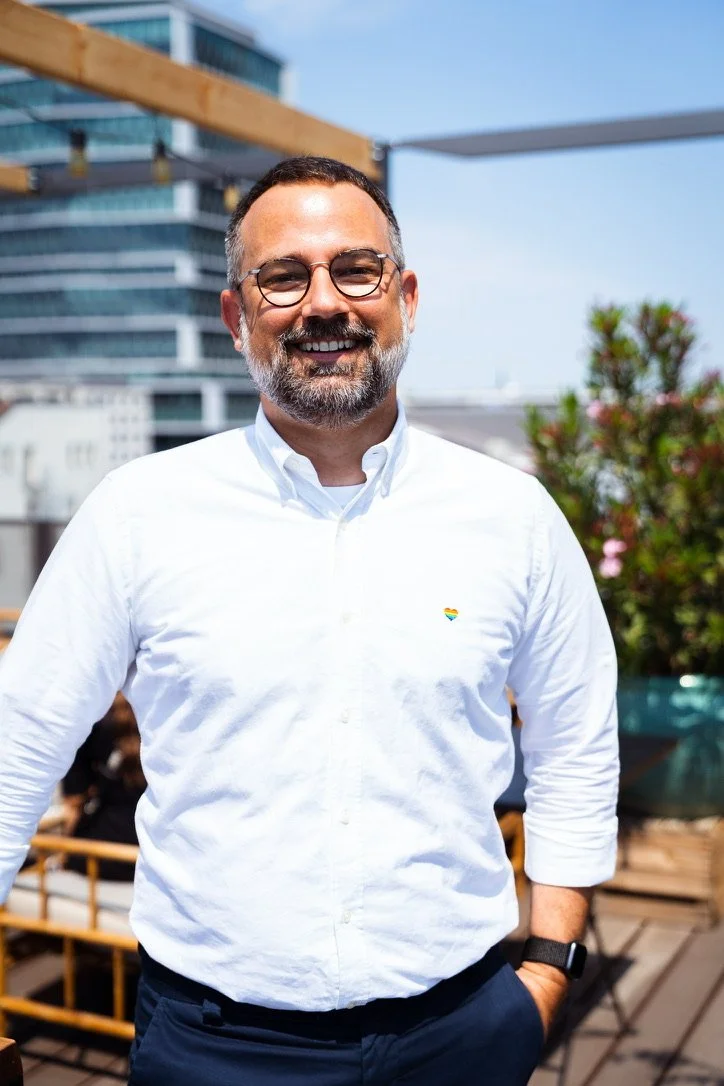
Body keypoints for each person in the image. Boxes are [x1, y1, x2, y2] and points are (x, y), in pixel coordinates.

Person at [0, 156, 619, 1085]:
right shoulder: (138, 514)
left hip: (464, 1031)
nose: (323, 303)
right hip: (215, 1048)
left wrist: (547, 969)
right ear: (236, 316)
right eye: (283, 276)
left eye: (355, 270)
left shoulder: (512, 516)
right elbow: (18, 745)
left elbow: (576, 742)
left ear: (404, 296)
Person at [61, 693, 144, 881]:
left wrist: (63, 854)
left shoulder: (89, 723)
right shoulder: (163, 720)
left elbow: (74, 803)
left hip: (99, 859)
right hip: (151, 856)